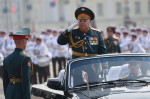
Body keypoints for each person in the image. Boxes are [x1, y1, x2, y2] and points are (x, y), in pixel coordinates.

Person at [3, 28, 33, 99]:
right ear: (24, 42)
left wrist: (7, 93)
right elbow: (26, 81)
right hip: (20, 92)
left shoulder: (7, 58)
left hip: (9, 91)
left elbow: (5, 80)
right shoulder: (26, 58)